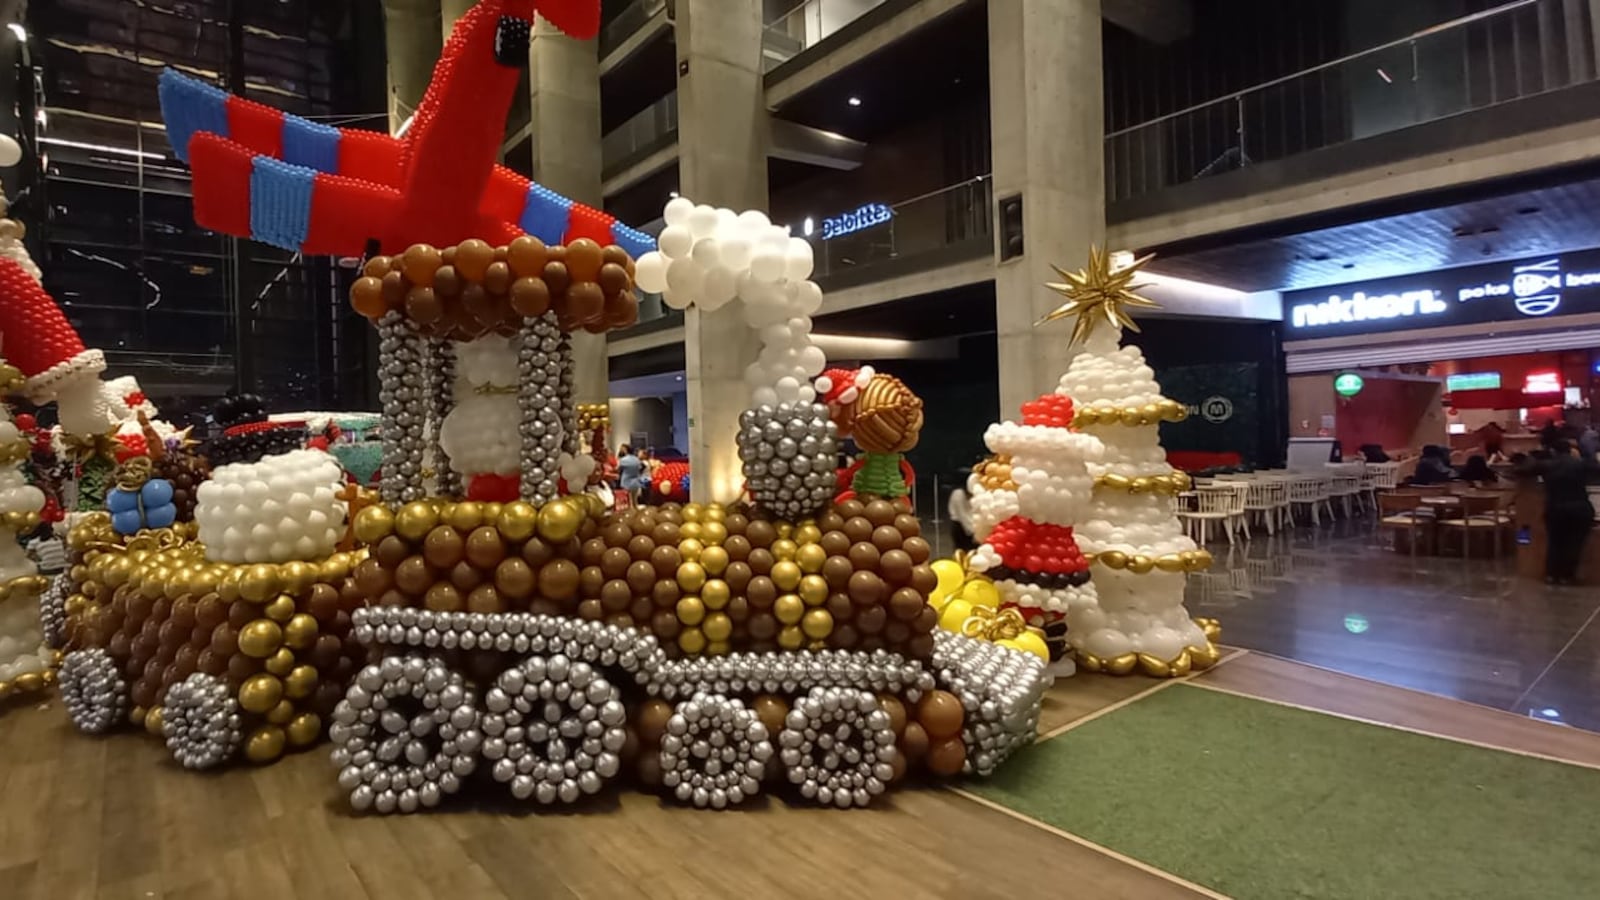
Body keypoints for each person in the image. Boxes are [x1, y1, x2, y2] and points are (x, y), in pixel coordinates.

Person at [1518, 439, 1598, 585]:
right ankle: (1567, 576)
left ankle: (1551, 574)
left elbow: (1521, 470)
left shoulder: (1547, 465)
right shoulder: (1580, 464)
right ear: (1570, 450)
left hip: (1555, 509)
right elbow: (1595, 467)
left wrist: (1533, 457)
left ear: (1553, 451)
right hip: (1580, 509)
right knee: (1575, 543)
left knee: (1555, 542)